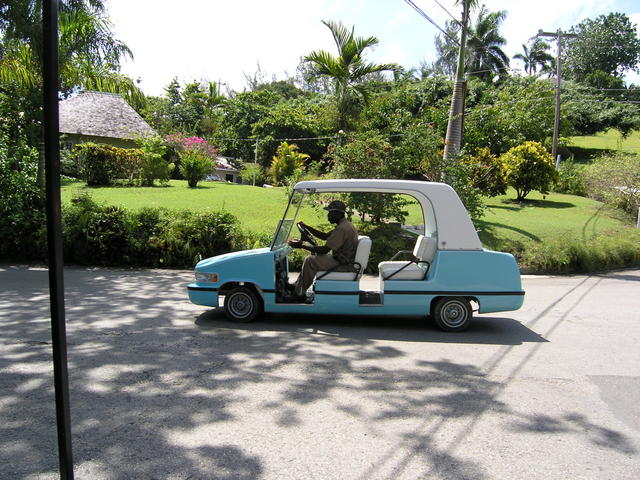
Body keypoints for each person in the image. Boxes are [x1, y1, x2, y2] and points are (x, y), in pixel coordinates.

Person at [287, 200, 358, 301]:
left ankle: (299, 293)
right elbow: (324, 236)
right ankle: (297, 286)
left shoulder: (342, 229)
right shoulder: (344, 224)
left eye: (330, 212)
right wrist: (306, 227)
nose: (328, 215)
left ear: (337, 213)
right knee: (312, 259)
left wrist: (302, 245)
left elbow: (324, 250)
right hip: (343, 260)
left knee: (310, 260)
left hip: (344, 264)